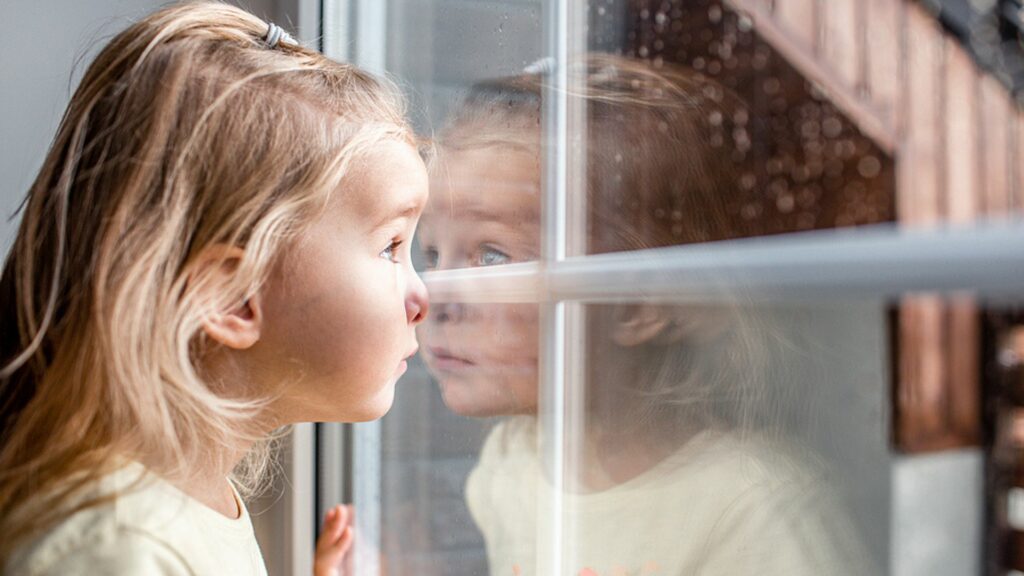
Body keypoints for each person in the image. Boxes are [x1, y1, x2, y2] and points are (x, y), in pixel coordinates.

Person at [0, 3, 428, 575]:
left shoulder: (187, 498)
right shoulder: (113, 548)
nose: (422, 298)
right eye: (391, 248)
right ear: (230, 297)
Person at [418, 54, 873, 575]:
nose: (434, 296)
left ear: (638, 304)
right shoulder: (511, 464)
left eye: (492, 256)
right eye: (432, 255)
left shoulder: (752, 510)